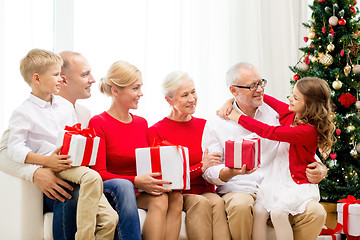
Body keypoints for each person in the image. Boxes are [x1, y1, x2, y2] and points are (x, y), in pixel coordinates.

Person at [0, 50, 142, 240]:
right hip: (57, 175)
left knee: (113, 204)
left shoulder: (79, 111)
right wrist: (36, 171)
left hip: (77, 172)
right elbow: (7, 150)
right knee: (75, 189)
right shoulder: (25, 112)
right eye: (85, 74)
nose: (93, 79)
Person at [202, 62, 328, 240]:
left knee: (317, 213)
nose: (260, 90)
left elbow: (297, 147)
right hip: (241, 188)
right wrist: (228, 172)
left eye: (261, 83)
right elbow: (209, 170)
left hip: (278, 184)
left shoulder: (278, 114)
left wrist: (321, 167)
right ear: (233, 91)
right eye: (253, 86)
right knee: (241, 205)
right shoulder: (217, 122)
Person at [88, 61, 183, 240]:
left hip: (141, 189)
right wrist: (136, 181)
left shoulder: (141, 123)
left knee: (176, 197)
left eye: (140, 87)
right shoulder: (99, 122)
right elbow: (99, 174)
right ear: (115, 91)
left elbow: (148, 163)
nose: (140, 93)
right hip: (117, 192)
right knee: (160, 200)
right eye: (135, 88)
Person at [148, 71, 236, 240]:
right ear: (169, 100)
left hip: (205, 188)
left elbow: (216, 162)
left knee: (217, 202)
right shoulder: (156, 131)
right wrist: (200, 167)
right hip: (178, 193)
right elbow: (167, 178)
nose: (192, 99)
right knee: (202, 203)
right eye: (185, 95)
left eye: (193, 92)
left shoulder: (205, 126)